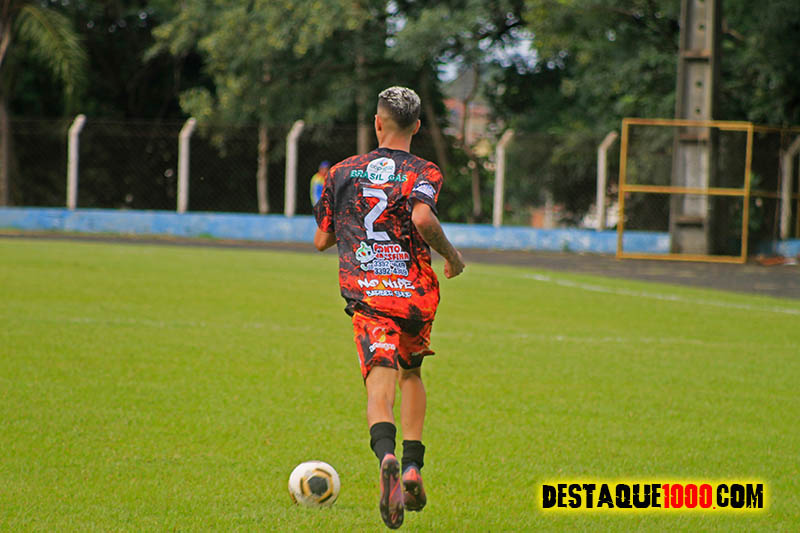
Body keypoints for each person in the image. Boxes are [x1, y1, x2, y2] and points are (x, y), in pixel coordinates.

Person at [313, 86, 465, 529]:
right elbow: (422, 216)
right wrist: (452, 256)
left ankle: (387, 457)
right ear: (417, 125)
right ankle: (413, 465)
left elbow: (322, 239)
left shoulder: (342, 172)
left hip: (370, 296)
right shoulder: (424, 170)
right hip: (415, 295)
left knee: (379, 385)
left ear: (377, 122)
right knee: (411, 373)